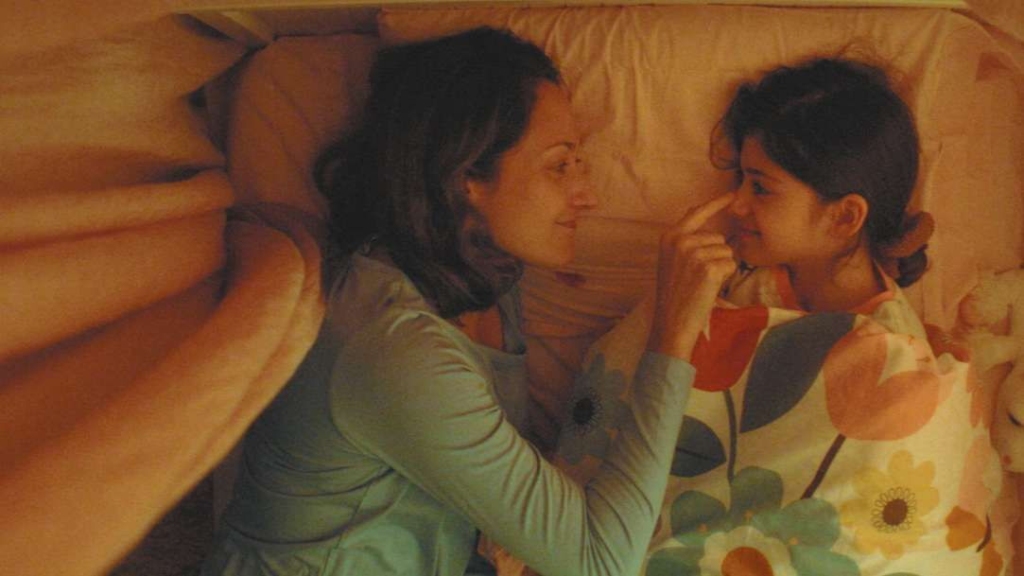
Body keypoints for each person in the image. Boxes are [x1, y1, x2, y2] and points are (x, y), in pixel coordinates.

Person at [201, 27, 735, 576]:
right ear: (465, 178)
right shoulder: (394, 348)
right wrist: (672, 337)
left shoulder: (490, 281)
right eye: (560, 165)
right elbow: (601, 560)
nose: (589, 195)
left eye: (580, 163)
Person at [714, 55, 934, 327]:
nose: (735, 205)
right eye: (741, 178)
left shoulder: (889, 340)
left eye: (760, 188)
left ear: (844, 217)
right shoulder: (741, 271)